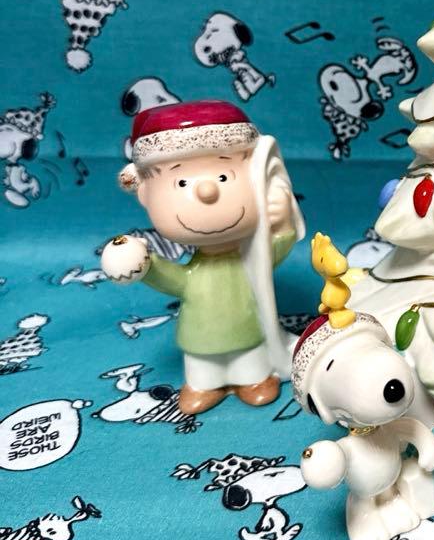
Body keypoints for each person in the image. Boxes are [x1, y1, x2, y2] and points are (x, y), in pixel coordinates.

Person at [101, 99, 303, 414]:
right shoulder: (195, 273)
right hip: (200, 340)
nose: (207, 191)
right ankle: (203, 386)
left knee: (250, 360)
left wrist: (283, 223)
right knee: (203, 367)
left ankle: (254, 378)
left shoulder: (252, 259)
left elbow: (273, 252)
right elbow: (176, 280)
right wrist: (147, 266)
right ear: (145, 194)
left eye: (224, 176)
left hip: (250, 333)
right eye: (182, 182)